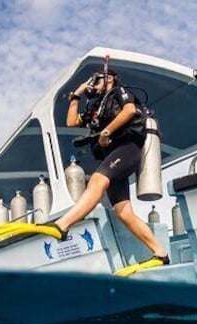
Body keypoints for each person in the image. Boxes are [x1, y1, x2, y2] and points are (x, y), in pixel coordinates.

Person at [39, 68, 169, 267]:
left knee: (98, 180)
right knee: (124, 212)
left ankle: (62, 225)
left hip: (129, 148)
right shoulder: (96, 107)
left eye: (96, 80)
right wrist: (76, 95)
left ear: (109, 78)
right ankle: (160, 254)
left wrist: (107, 131)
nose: (92, 84)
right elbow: (71, 121)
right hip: (112, 155)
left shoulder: (119, 92)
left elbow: (130, 110)